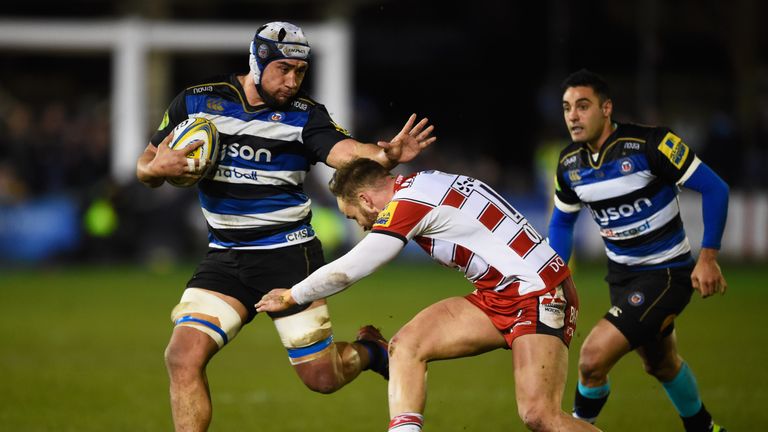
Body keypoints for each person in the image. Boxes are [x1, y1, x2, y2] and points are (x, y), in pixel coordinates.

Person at [135, 22, 435, 431]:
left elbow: (346, 152)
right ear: (256, 62)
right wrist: (156, 168)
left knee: (322, 379)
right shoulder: (198, 101)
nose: (292, 81)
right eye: (283, 69)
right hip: (225, 257)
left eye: (300, 71)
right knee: (182, 356)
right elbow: (145, 164)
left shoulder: (304, 115)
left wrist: (385, 157)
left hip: (288, 256)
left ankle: (372, 352)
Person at [256, 158, 601, 432]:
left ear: (365, 199)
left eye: (354, 215)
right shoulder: (423, 182)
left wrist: (292, 296)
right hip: (500, 294)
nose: (359, 224)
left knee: (539, 416)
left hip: (539, 293)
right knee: (406, 346)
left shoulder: (409, 203)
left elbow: (355, 266)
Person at [548, 69, 729, 431]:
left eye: (583, 106)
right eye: (567, 107)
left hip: (666, 274)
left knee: (592, 360)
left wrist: (708, 257)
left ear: (607, 108)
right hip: (621, 277)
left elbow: (716, 188)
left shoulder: (651, 145)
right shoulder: (570, 164)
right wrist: (554, 277)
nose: (573, 116)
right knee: (661, 364)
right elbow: (562, 222)